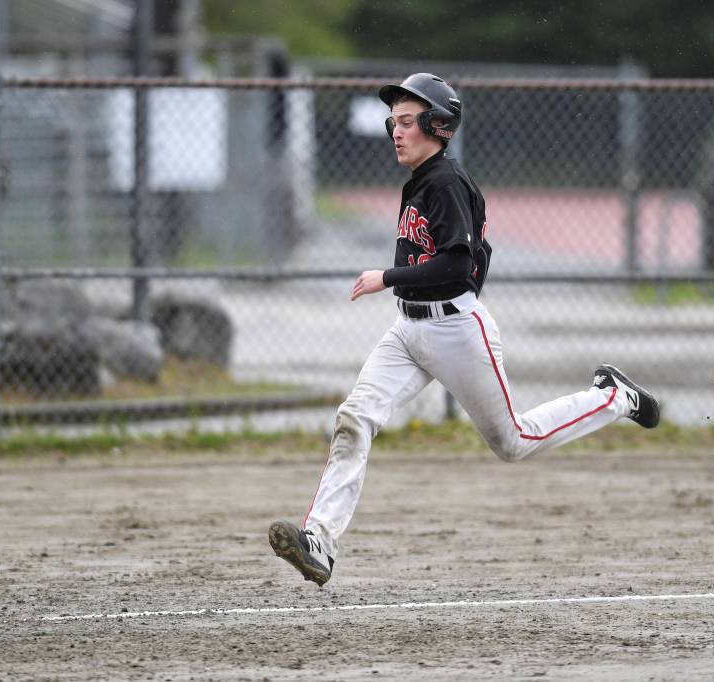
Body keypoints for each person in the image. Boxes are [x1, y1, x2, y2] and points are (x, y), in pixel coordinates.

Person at [268, 73, 660, 587]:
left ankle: (613, 398)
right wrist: (411, 284)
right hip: (408, 330)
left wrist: (386, 277)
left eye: (408, 121)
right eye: (393, 122)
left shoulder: (446, 183)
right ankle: (319, 538)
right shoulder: (421, 183)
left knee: (513, 441)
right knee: (355, 417)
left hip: (455, 330)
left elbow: (457, 265)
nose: (396, 131)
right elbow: (478, 255)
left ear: (439, 125)